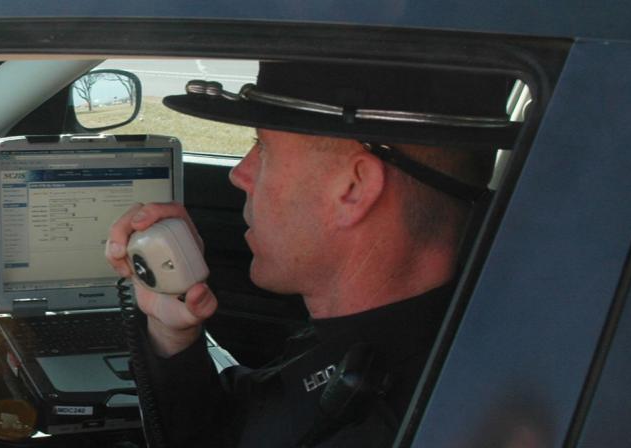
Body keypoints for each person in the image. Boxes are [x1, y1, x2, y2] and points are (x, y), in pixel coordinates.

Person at [104, 61, 517, 447]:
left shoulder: (404, 419)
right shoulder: (387, 346)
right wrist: (173, 334)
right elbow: (238, 427)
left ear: (354, 189)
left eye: (262, 147)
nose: (239, 173)